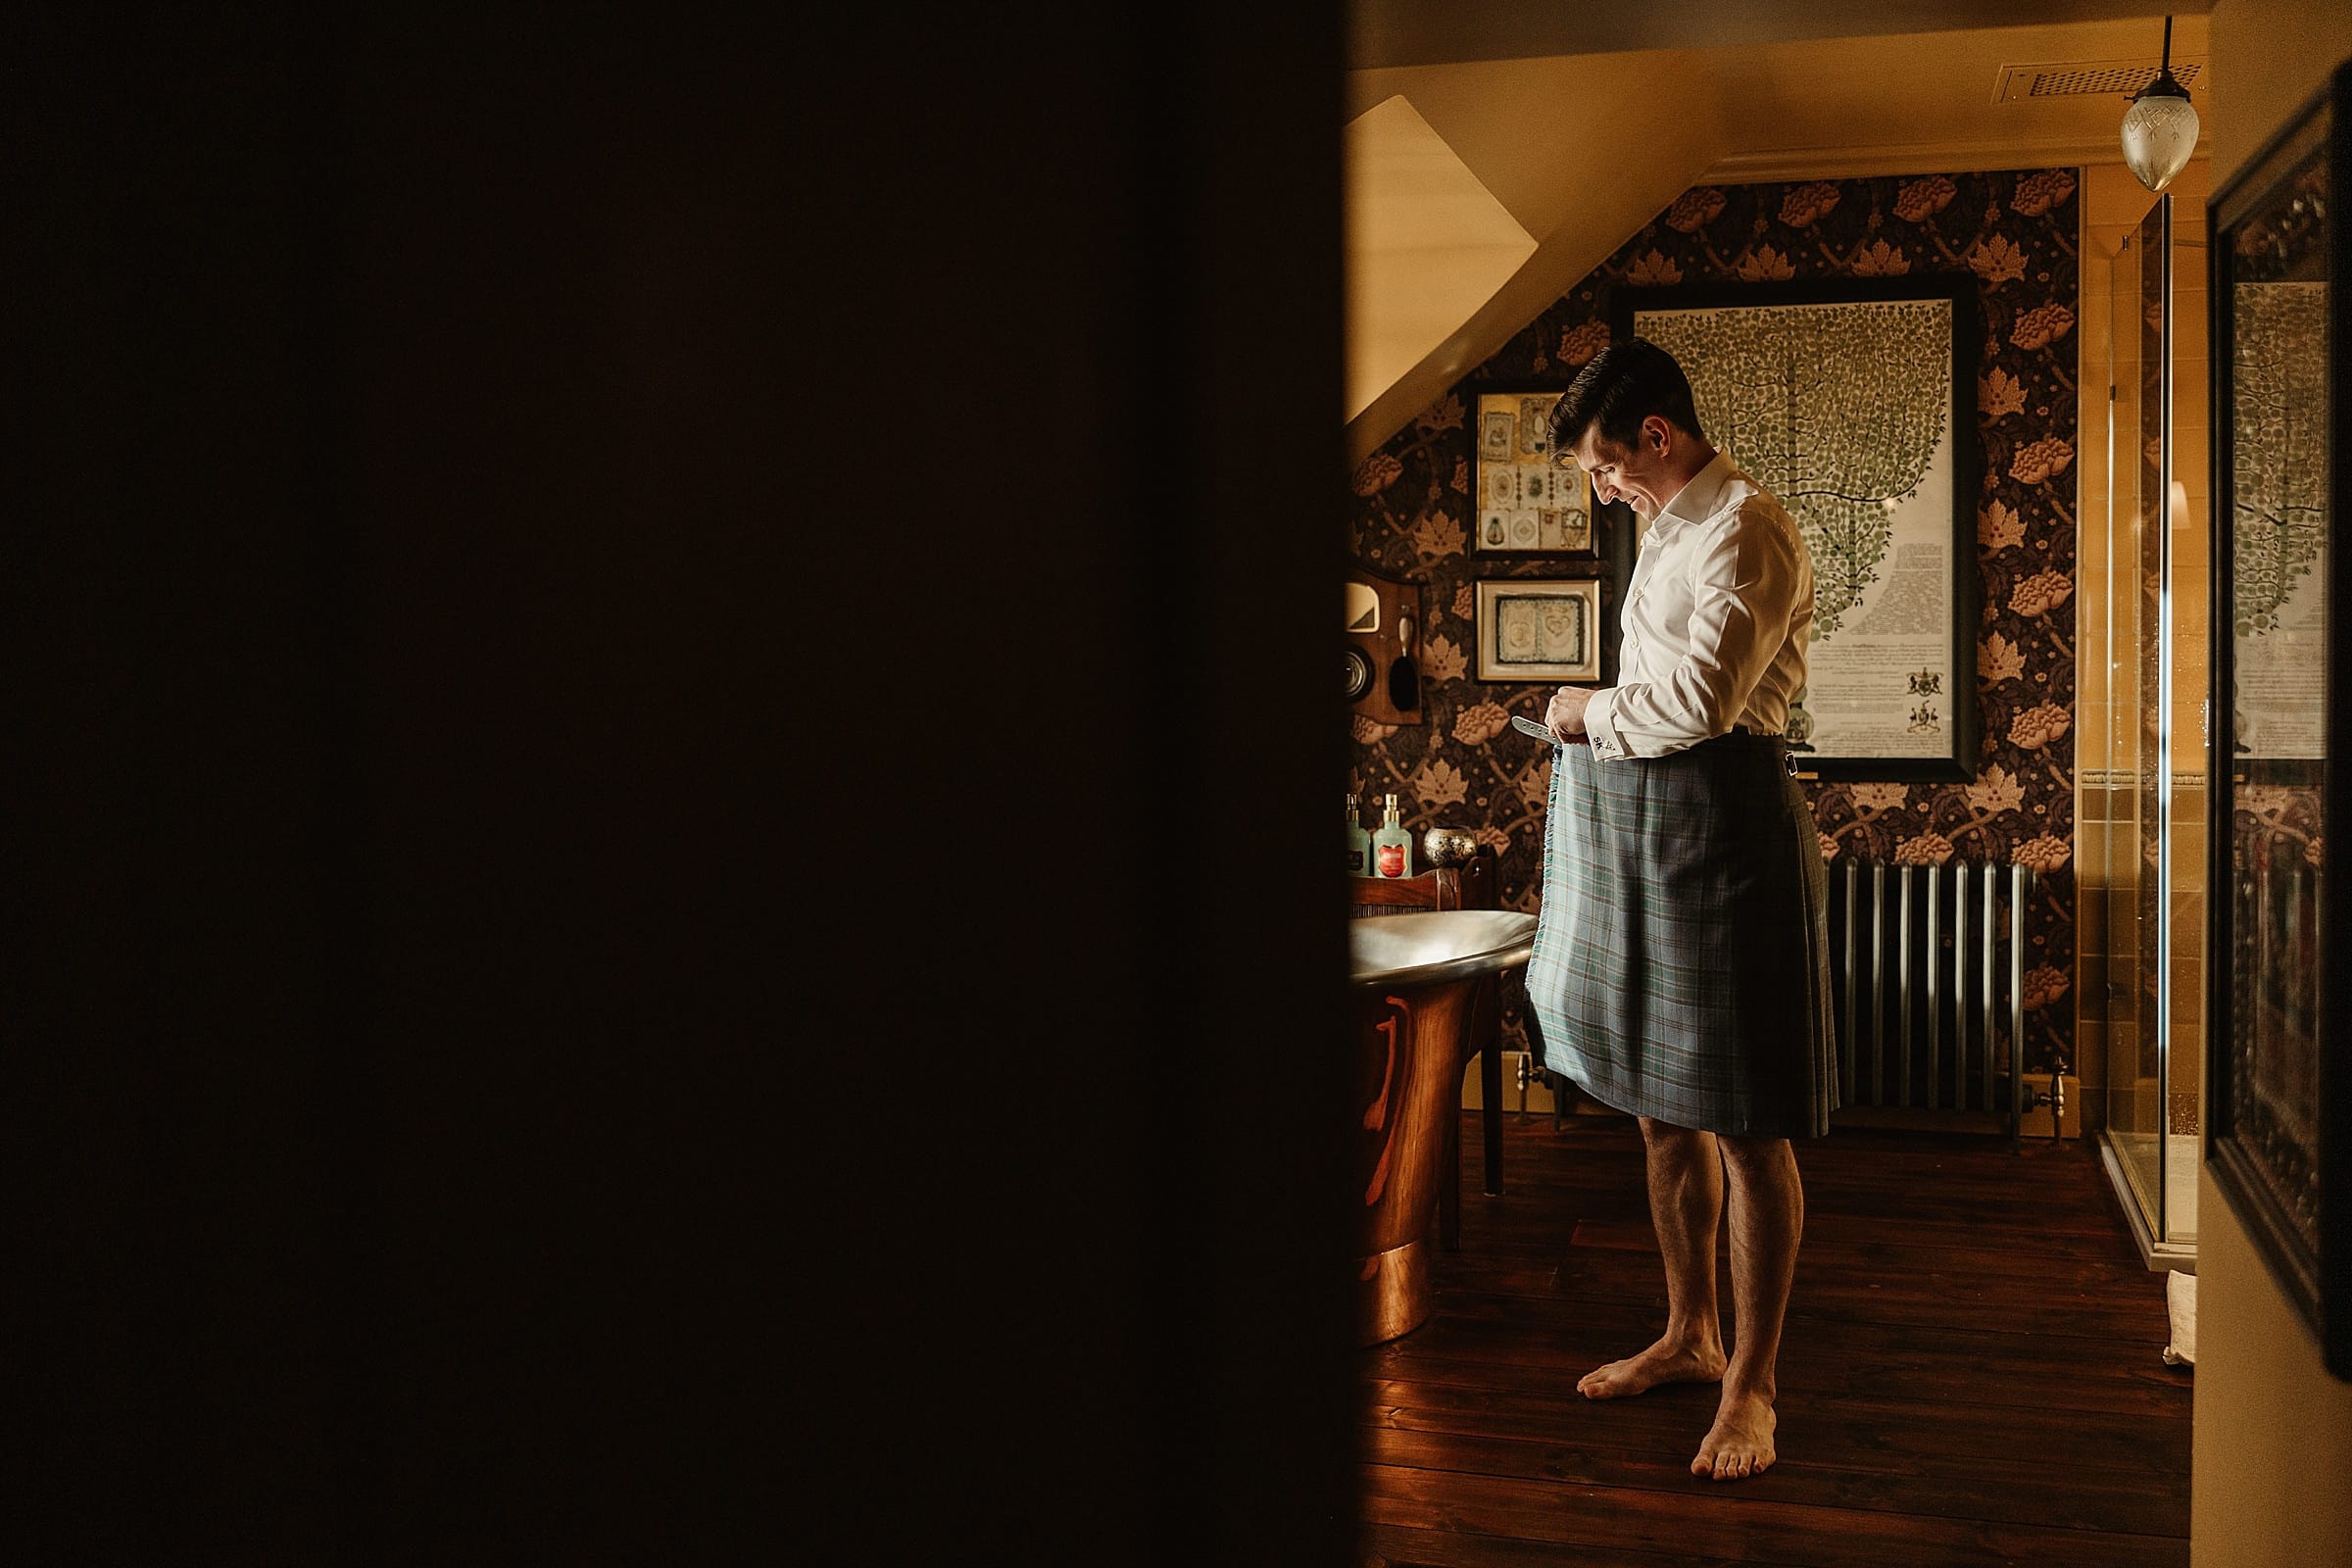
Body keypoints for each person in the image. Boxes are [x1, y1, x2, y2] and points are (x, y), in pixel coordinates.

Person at [1525, 336, 1836, 1483]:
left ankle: (1753, 1384)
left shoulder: (1747, 525)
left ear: (1657, 435)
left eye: (1608, 467)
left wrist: (1583, 710)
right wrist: (1603, 721)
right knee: (1661, 1109)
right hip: (1648, 827)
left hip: (1731, 826)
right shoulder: (1664, 526)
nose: (1604, 489)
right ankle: (1690, 1333)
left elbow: (1702, 702)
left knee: (1749, 1124)